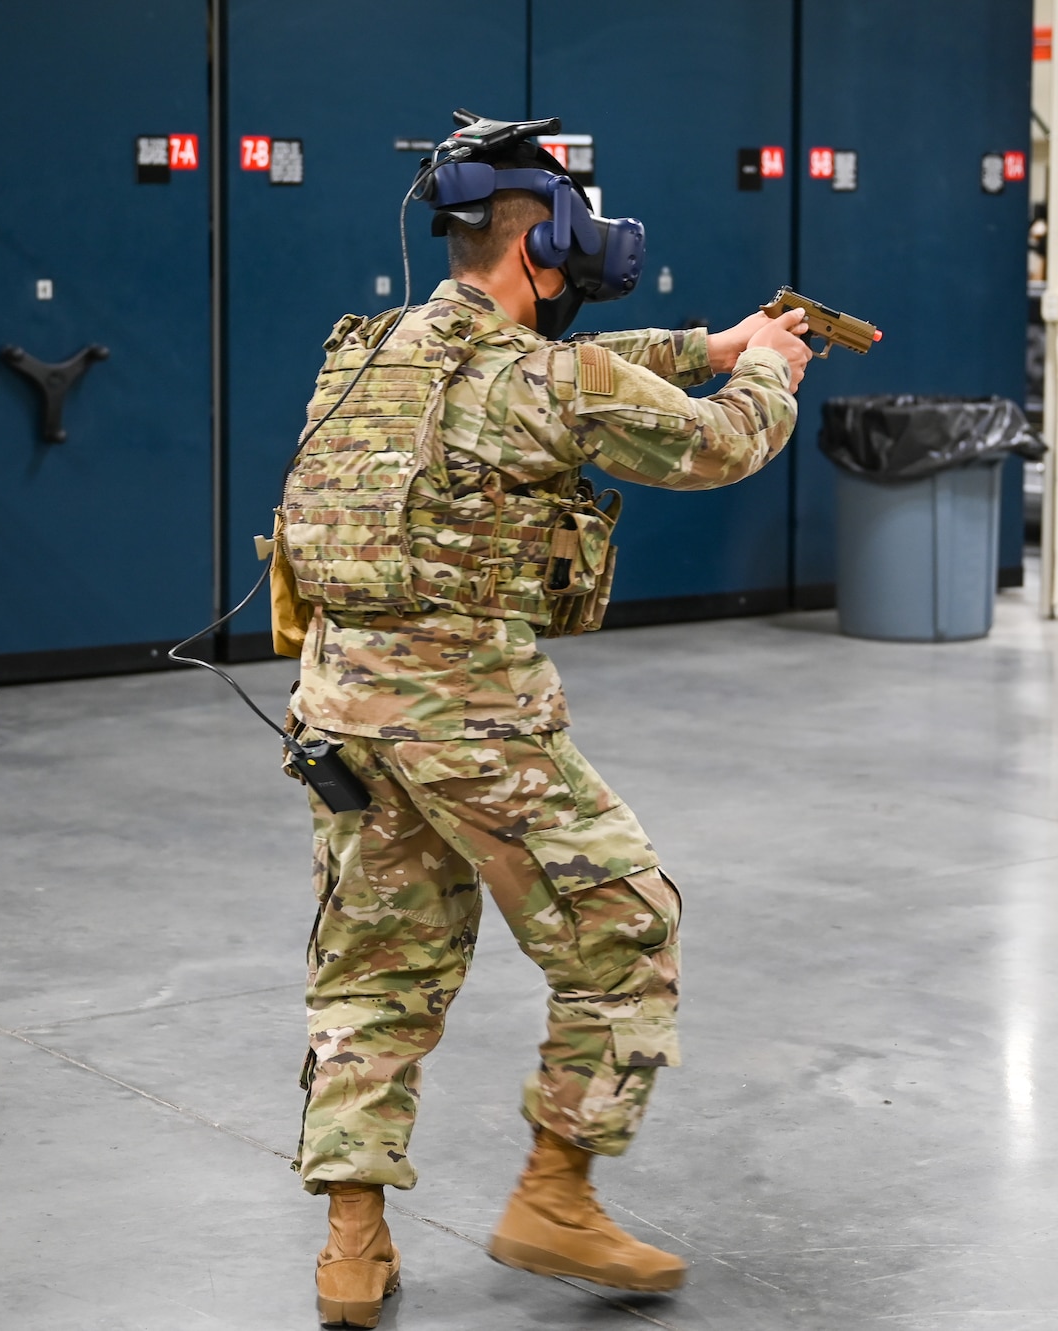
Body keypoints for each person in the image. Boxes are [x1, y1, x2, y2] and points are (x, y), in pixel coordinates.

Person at [281, 121, 810, 1328]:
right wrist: (765, 367)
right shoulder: (535, 378)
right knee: (626, 926)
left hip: (341, 713)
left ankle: (351, 1250)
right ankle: (554, 1193)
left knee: (374, 964)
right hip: (462, 714)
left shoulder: (375, 349)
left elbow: (561, 378)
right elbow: (723, 441)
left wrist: (704, 342)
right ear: (550, 237)